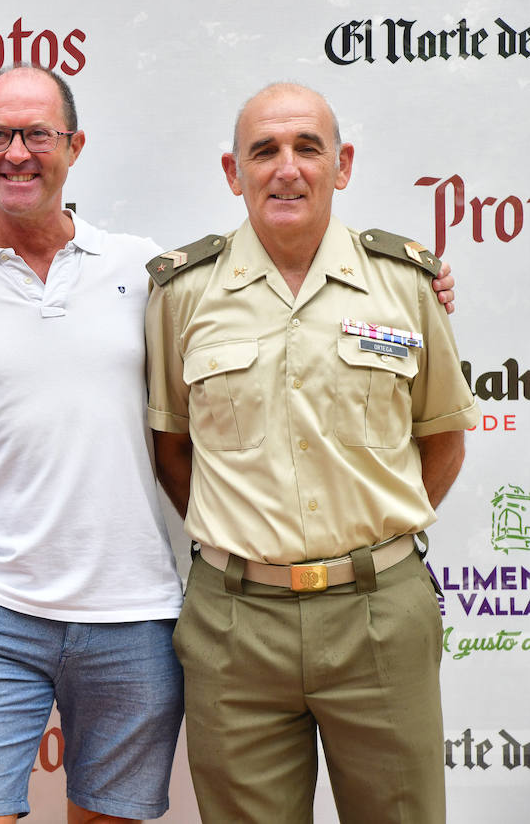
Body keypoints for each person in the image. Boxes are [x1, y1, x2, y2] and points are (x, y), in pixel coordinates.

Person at [0, 66, 458, 824]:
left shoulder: (152, 274)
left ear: (74, 146)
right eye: (0, 135)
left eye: (39, 135)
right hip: (61, 612)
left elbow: (439, 438)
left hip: (195, 614)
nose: (19, 152)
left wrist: (428, 293)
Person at [146, 83, 478, 823]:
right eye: (263, 151)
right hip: (234, 625)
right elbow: (172, 450)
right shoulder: (182, 291)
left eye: (307, 148)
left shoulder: (403, 281)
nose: (286, 168)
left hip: (379, 614)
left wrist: (374, 538)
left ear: (342, 163)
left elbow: (445, 438)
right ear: (234, 173)